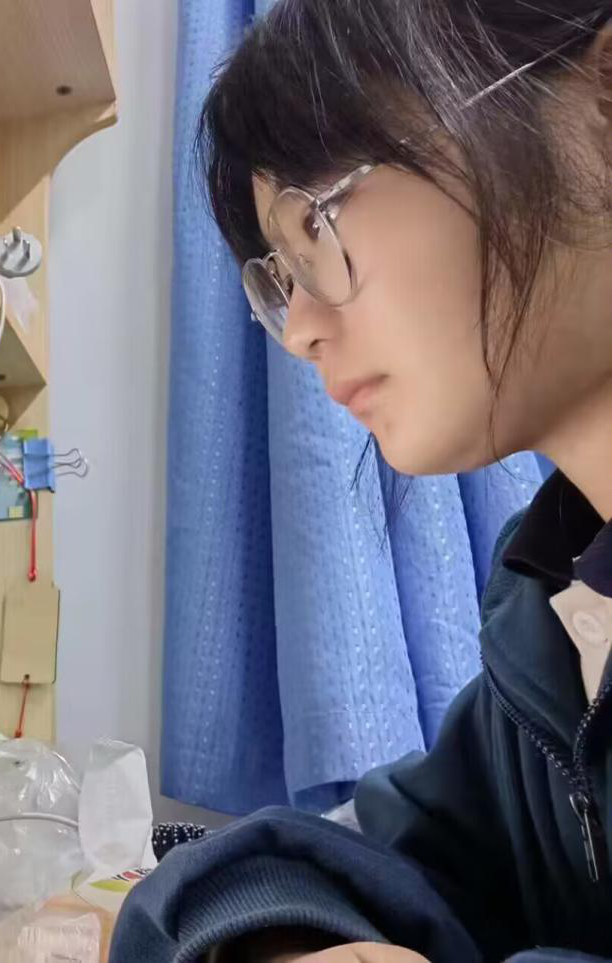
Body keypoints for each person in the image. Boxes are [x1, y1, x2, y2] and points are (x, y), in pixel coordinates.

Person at [111, 2, 612, 961]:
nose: (299, 329)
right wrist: (281, 941)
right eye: (279, 276)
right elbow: (320, 861)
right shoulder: (554, 619)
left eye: (316, 223)